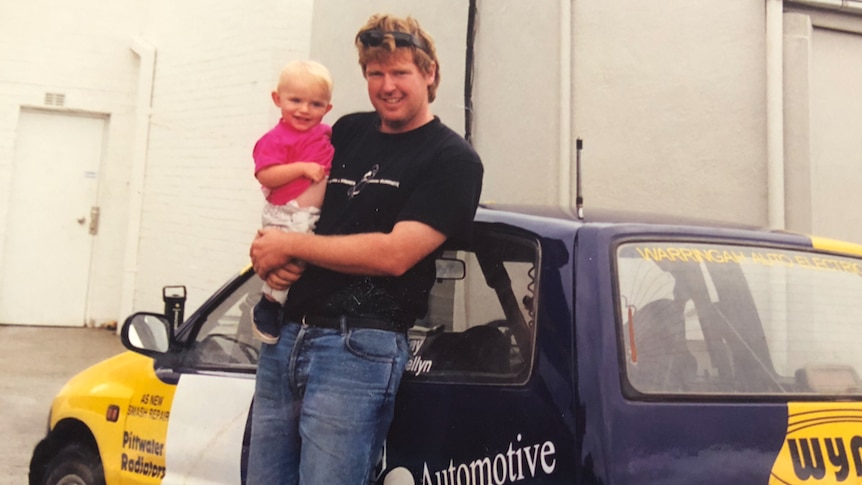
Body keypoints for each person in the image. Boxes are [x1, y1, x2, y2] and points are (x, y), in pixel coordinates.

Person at [247, 13, 484, 485]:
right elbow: (293, 199)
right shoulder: (346, 132)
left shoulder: (452, 159)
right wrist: (267, 252)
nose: (387, 85)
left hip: (359, 347)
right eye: (376, 73)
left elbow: (394, 254)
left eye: (400, 72)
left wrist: (292, 244)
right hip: (286, 337)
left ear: (431, 73)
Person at [251, 60, 334, 344]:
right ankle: (269, 303)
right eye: (295, 100)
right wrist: (301, 168)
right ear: (277, 99)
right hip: (287, 212)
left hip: (309, 214)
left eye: (315, 104)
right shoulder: (275, 139)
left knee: (305, 258)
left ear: (327, 109)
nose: (304, 109)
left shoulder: (323, 133)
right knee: (292, 259)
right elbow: (266, 174)